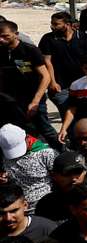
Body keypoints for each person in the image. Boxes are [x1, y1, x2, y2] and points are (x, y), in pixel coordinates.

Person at [0, 21, 55, 149]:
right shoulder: (1, 51)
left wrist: (35, 101)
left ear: (16, 34)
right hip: (10, 99)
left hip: (33, 98)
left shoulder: (29, 50)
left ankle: (62, 154)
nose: (1, 40)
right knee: (15, 131)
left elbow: (45, 76)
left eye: (5, 36)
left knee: (45, 129)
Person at [0, 124, 56, 211]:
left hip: (46, 205)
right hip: (17, 208)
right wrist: (6, 179)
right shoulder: (4, 158)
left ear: (27, 139)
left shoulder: (46, 154)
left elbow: (60, 178)